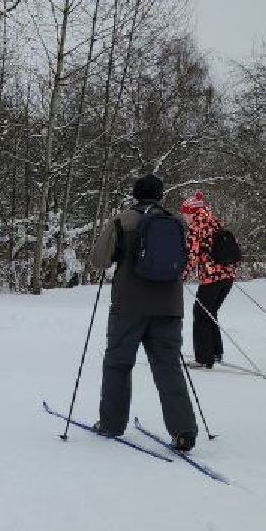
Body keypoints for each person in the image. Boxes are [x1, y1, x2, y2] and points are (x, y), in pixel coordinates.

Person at [91, 174, 198, 451]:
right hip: (169, 306)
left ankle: (111, 424)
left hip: (128, 306)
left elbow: (99, 260)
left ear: (135, 195)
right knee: (169, 367)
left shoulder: (122, 221)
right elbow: (185, 259)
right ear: (161, 195)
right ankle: (184, 431)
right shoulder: (176, 223)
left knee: (118, 363)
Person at [177, 186, 237, 368]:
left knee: (201, 314)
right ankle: (215, 352)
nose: (184, 218)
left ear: (193, 213)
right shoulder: (213, 222)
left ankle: (204, 359)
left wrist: (180, 277)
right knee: (210, 313)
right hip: (227, 276)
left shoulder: (197, 228)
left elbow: (191, 257)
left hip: (212, 277)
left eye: (186, 214)